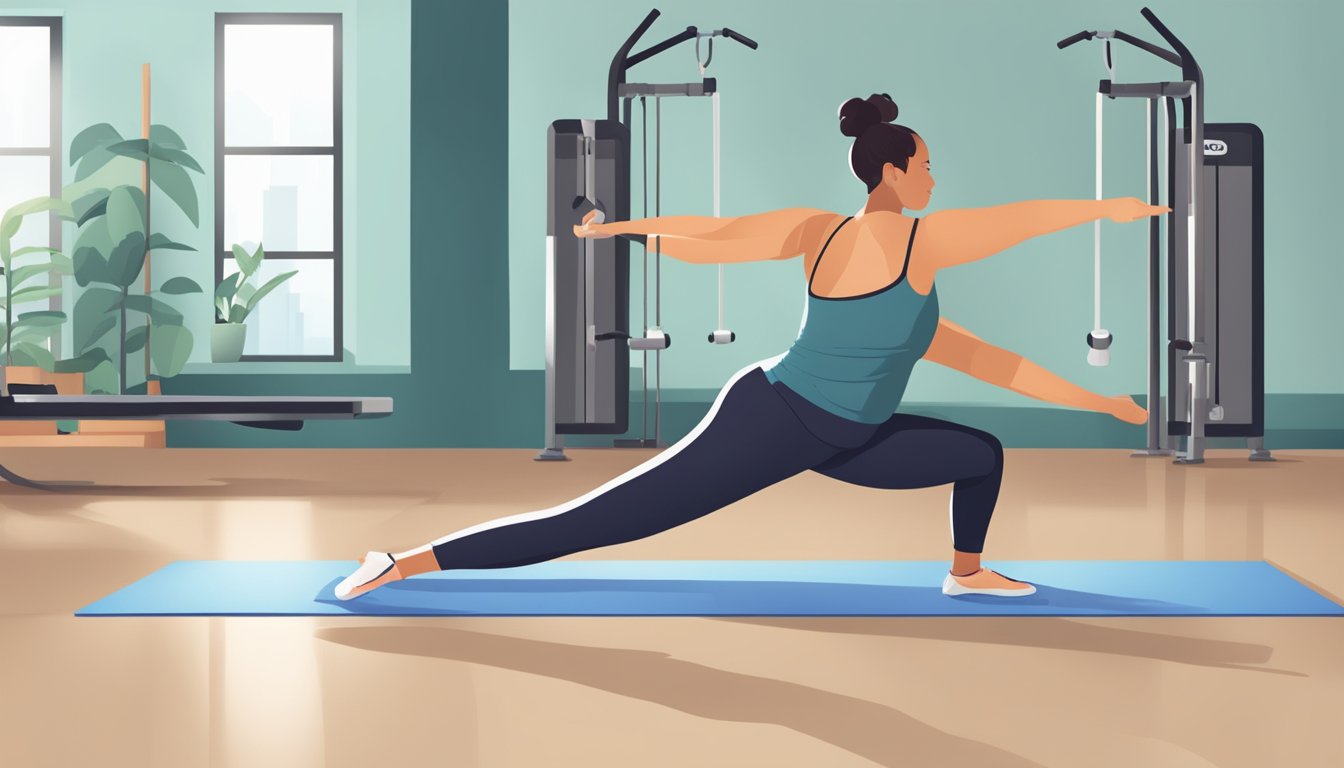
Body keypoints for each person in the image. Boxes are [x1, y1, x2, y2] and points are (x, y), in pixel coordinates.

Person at [335, 93, 1163, 601]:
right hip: (775, 420)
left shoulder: (917, 292)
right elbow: (717, 237)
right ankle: (400, 564)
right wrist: (1109, 208)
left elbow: (992, 364)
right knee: (602, 520)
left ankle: (968, 571)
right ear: (894, 173)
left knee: (979, 453)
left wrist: (1104, 402)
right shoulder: (859, 235)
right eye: (927, 165)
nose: (935, 178)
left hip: (855, 437)